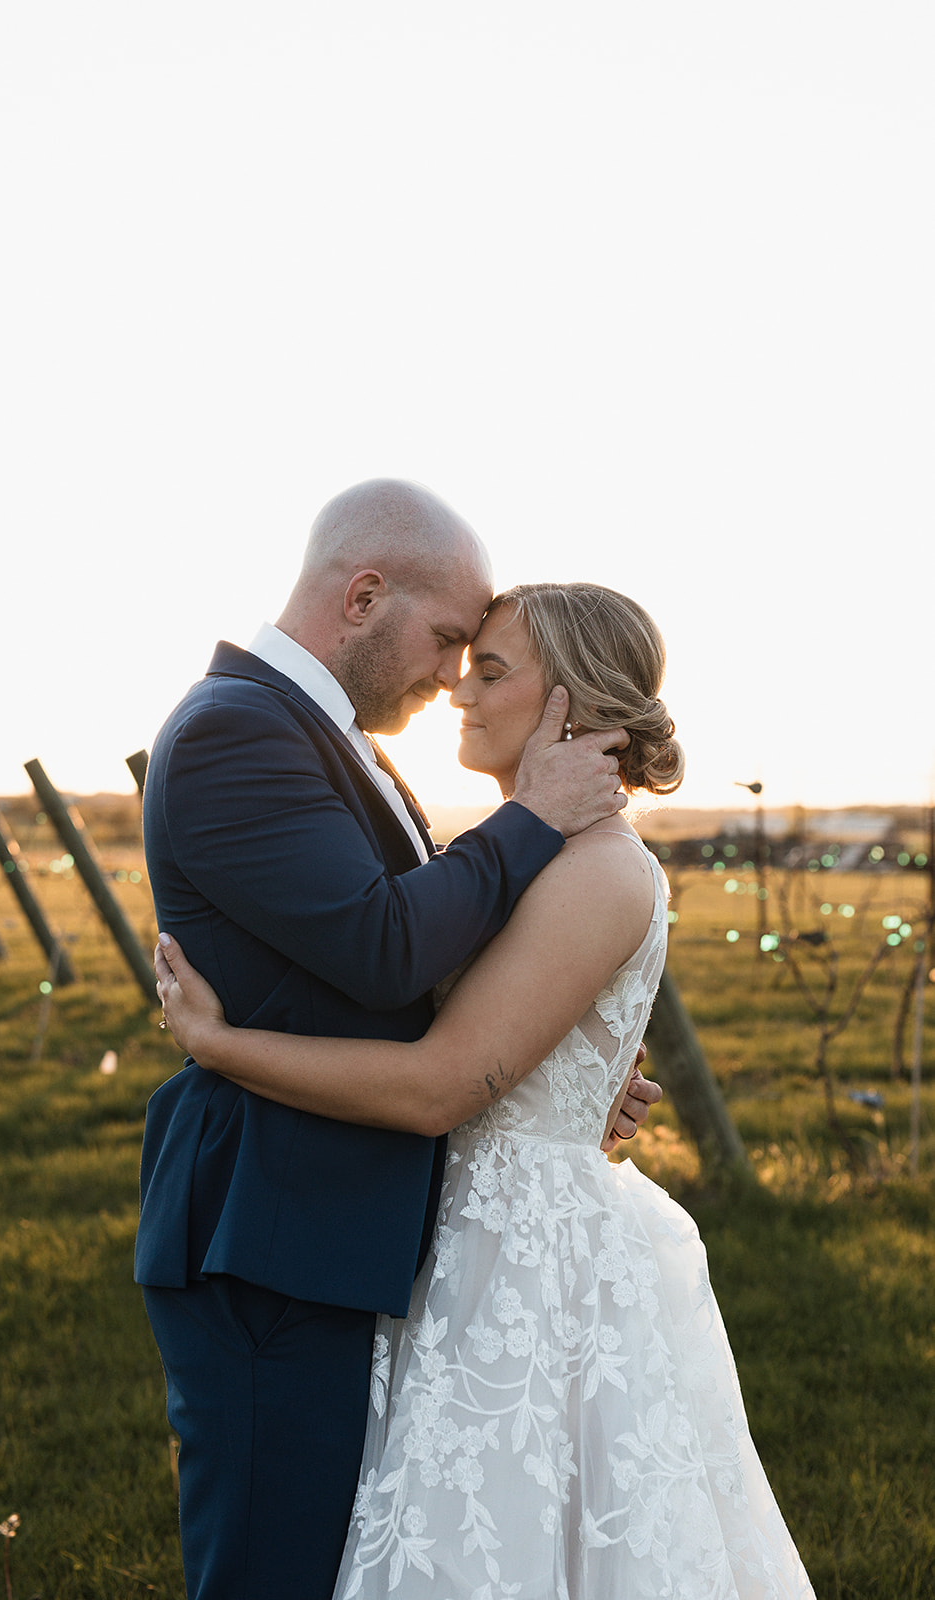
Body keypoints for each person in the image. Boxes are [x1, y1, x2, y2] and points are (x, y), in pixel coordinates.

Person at [155, 580, 816, 1599]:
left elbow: (439, 1084)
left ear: (574, 706)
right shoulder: (529, 852)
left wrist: (219, 1043)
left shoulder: (598, 871)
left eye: (491, 668)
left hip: (515, 1267)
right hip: (443, 1237)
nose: (459, 686)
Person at [134, 482, 661, 1600]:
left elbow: (417, 986)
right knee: (268, 1573)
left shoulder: (321, 737)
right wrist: (533, 814)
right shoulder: (236, 729)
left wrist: (551, 1081)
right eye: (445, 642)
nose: (446, 674)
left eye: (480, 659)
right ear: (364, 595)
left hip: (342, 1233)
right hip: (269, 1236)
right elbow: (382, 946)